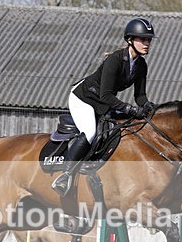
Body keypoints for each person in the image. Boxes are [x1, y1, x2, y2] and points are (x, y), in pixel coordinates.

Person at [52, 17, 158, 196]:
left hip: (103, 101)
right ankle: (65, 175)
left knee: (124, 128)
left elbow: (140, 96)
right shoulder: (115, 60)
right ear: (130, 40)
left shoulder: (141, 65)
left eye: (148, 39)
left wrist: (149, 107)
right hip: (84, 98)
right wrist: (129, 109)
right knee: (91, 132)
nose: (146, 43)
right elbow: (106, 95)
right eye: (142, 39)